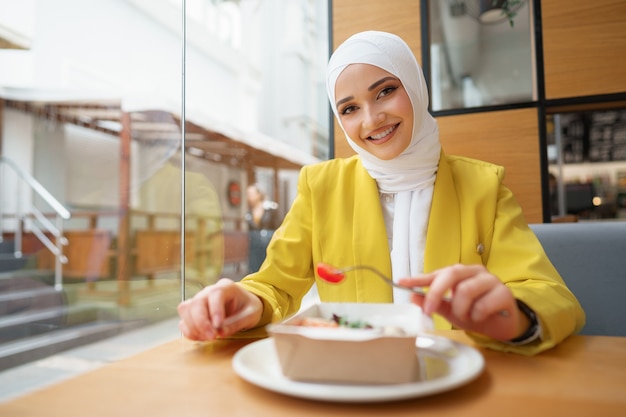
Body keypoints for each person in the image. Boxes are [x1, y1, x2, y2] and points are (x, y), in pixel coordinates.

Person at [178, 31, 585, 355]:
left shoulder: (484, 186)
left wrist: (510, 315)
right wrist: (245, 300)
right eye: (350, 108)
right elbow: (275, 286)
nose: (372, 119)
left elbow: (547, 294)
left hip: (457, 376)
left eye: (386, 91)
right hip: (352, 379)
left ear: (416, 88)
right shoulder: (321, 188)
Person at [245, 183, 280, 273]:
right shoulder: (248, 212)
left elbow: (277, 225)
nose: (248, 197)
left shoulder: (270, 208)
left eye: (250, 194)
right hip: (254, 247)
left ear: (258, 194)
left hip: (269, 244)